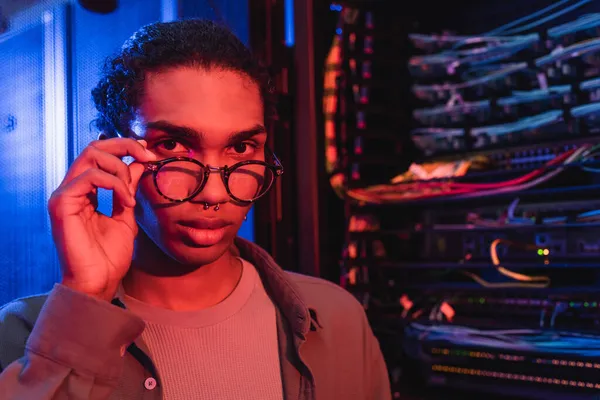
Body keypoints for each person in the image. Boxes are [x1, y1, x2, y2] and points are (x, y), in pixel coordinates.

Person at [0, 19, 390, 400]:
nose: (215, 193)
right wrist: (85, 299)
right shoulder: (20, 335)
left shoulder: (339, 320)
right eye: (172, 146)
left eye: (240, 148)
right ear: (112, 156)